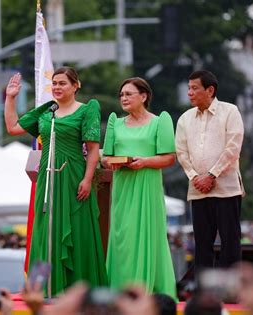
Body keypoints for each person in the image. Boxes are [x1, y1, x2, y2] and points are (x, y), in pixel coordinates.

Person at [4, 67, 108, 296]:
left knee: (77, 231)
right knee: (45, 229)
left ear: (75, 85)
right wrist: (11, 98)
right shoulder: (46, 111)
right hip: (47, 175)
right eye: (55, 84)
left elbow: (92, 150)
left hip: (74, 176)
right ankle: (43, 288)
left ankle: (80, 291)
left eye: (63, 83)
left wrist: (88, 179)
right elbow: (13, 128)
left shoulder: (86, 110)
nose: (58, 87)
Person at [101, 77, 177, 299]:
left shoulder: (159, 121)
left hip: (147, 186)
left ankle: (150, 291)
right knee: (122, 237)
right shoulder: (116, 122)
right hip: (123, 186)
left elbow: (169, 157)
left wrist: (143, 162)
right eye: (121, 95)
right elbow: (106, 158)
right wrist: (117, 162)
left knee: (147, 235)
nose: (123, 98)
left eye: (128, 94)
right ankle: (120, 291)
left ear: (143, 97)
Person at [175, 70, 244, 272]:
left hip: (227, 188)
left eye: (194, 88)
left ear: (210, 90)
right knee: (202, 245)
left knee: (230, 242)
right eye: (188, 88)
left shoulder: (230, 111)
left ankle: (231, 292)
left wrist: (212, 174)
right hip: (198, 190)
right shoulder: (184, 119)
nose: (189, 92)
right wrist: (195, 177)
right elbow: (181, 152)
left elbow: (233, 148)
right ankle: (203, 294)